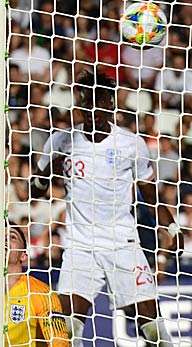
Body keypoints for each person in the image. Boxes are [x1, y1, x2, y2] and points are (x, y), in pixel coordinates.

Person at [31, 70, 183, 346]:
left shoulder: (130, 144)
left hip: (121, 243)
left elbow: (149, 193)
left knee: (152, 327)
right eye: (87, 103)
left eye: (99, 103)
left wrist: (171, 226)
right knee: (65, 329)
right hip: (80, 245)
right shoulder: (61, 141)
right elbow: (35, 188)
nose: (92, 111)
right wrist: (52, 168)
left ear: (110, 104)